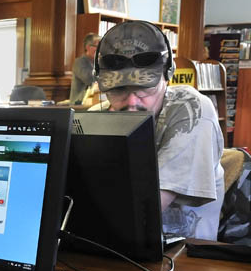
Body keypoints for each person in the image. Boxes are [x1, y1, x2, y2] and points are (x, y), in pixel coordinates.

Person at [95, 20, 225, 240]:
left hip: (184, 261)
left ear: (167, 75)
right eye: (118, 90)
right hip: (112, 249)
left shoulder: (192, 109)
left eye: (145, 88)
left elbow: (143, 212)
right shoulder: (97, 114)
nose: (132, 102)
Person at [69, 33, 101, 105]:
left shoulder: (99, 63)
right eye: (97, 46)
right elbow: (90, 79)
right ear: (88, 47)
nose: (100, 50)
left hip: (94, 103)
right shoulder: (79, 62)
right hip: (78, 104)